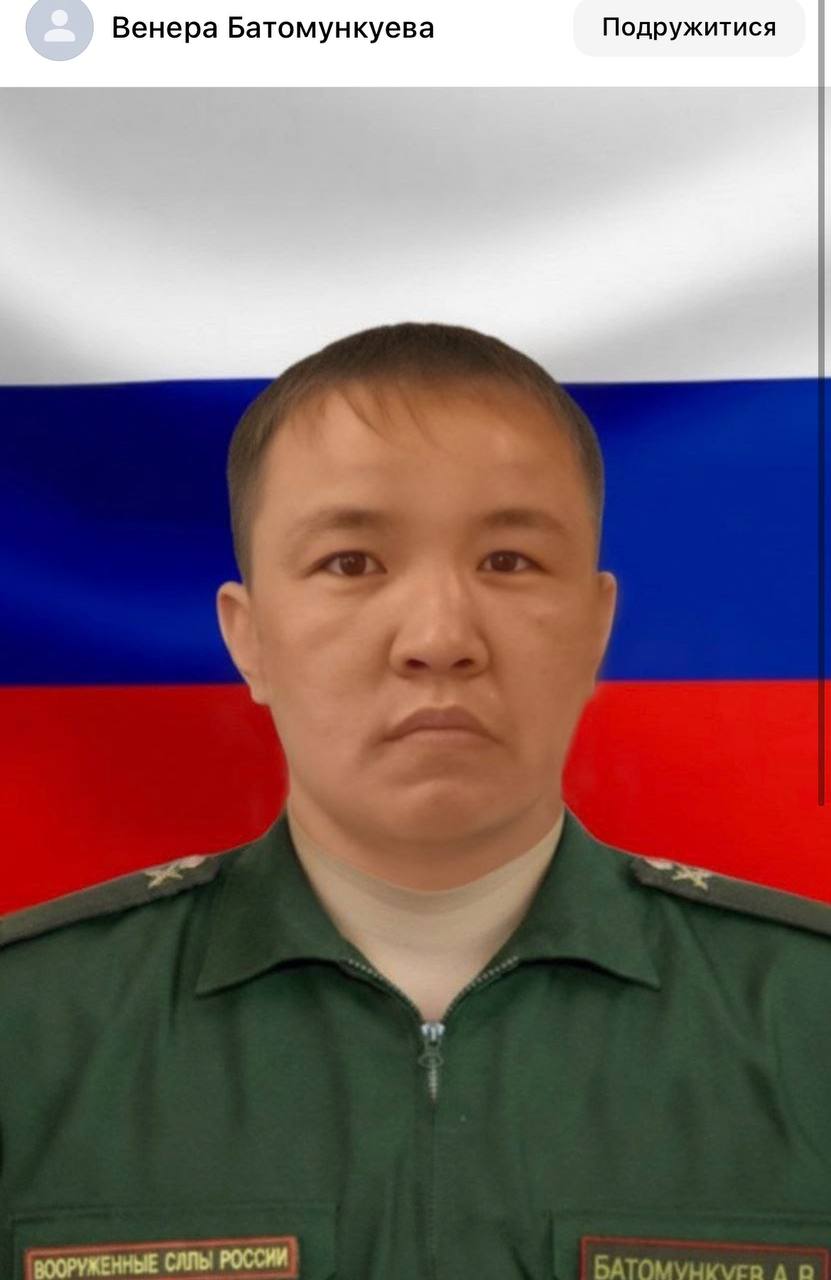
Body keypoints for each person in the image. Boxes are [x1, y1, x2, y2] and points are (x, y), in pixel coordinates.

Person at [2, 322, 831, 1280]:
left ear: (595, 627)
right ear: (248, 636)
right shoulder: (32, 1032)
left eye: (508, 561)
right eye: (351, 563)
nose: (438, 639)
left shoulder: (802, 1019)